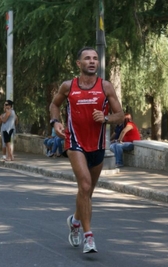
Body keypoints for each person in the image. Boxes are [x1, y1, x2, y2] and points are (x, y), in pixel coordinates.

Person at [49, 47, 124, 253]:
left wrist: (106, 118)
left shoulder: (105, 87)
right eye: (87, 58)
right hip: (74, 142)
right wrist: (55, 122)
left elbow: (121, 114)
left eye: (95, 58)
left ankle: (74, 221)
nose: (92, 61)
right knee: (84, 184)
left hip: (98, 145)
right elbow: (54, 105)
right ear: (78, 64)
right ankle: (88, 236)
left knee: (87, 191)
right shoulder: (68, 86)